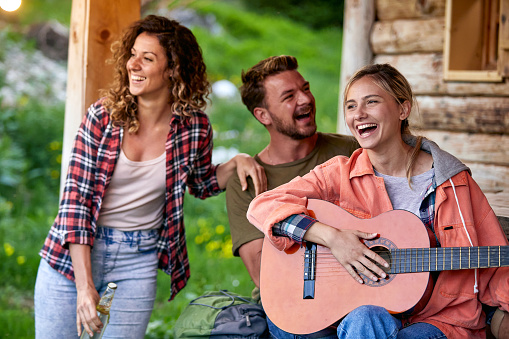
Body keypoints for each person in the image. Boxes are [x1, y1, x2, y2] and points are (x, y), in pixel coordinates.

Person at [34, 15, 266, 339]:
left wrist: (238, 161)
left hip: (137, 260)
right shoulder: (102, 117)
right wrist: (84, 286)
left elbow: (200, 182)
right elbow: (76, 204)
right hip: (72, 258)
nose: (134, 64)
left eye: (148, 58)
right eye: (132, 54)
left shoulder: (194, 127)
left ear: (173, 69)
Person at [247, 63, 509, 338]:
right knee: (365, 317)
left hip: (441, 321)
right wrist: (332, 238)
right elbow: (262, 206)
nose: (358, 114)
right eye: (350, 106)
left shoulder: (454, 182)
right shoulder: (338, 174)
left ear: (402, 109)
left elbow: (497, 261)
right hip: (364, 319)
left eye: (371, 102)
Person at [225, 55, 358, 291]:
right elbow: (263, 273)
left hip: (360, 289)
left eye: (305, 88)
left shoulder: (353, 151)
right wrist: (331, 239)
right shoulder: (246, 182)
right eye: (289, 96)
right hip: (293, 302)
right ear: (262, 115)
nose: (306, 99)